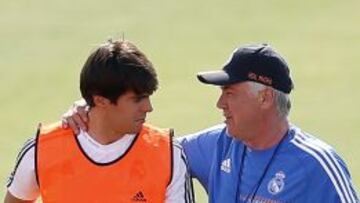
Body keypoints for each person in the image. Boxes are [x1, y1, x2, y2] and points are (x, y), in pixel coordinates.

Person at [61, 43, 359, 202]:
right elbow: (149, 151)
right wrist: (93, 111)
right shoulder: (217, 143)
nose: (220, 104)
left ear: (265, 98)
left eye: (229, 93)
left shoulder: (316, 164)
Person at [5, 39, 194, 203]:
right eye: (137, 99)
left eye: (147, 97)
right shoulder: (40, 149)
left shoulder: (168, 153)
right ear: (100, 100)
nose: (148, 107)